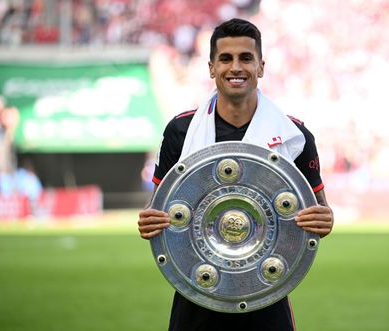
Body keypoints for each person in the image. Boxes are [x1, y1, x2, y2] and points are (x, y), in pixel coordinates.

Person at [138, 18, 334, 331]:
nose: (236, 67)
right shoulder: (180, 131)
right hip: (198, 289)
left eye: (245, 58)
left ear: (261, 67)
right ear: (211, 68)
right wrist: (150, 221)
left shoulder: (295, 136)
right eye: (226, 59)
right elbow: (157, 210)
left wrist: (325, 220)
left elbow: (319, 212)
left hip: (266, 289)